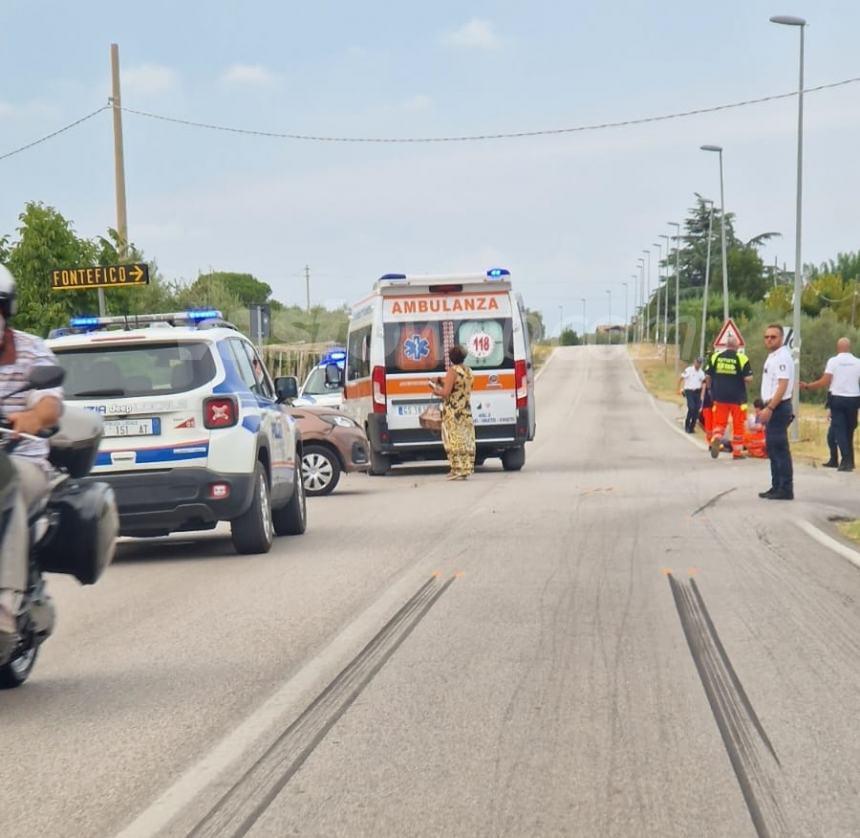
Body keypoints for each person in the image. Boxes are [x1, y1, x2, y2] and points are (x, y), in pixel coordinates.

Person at [0, 265, 63, 649]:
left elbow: (50, 408)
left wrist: (32, 417)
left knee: (6, 485)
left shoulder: (33, 350)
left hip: (23, 459)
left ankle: (5, 606)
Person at [800, 337, 860, 472]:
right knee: (848, 430)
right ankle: (841, 460)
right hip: (854, 399)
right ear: (849, 347)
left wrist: (808, 386)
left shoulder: (833, 361)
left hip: (838, 399)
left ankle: (846, 462)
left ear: (838, 347)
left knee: (839, 430)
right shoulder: (857, 362)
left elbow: (825, 381)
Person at [428, 345, 475, 480]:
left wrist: (433, 389)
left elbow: (445, 393)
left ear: (451, 358)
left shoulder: (452, 371)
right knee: (465, 440)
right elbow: (457, 386)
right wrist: (440, 380)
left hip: (453, 412)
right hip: (465, 410)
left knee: (452, 439)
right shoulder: (468, 371)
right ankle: (465, 468)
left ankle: (456, 469)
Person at [758, 324, 794, 500]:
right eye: (767, 337)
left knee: (779, 448)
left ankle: (785, 488)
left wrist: (771, 408)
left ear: (781, 338)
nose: (769, 340)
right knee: (772, 448)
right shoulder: (772, 357)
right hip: (772, 405)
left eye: (773, 337)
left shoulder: (782, 357)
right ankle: (776, 485)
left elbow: (783, 384)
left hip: (778, 407)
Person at [703, 334, 752, 460]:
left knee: (719, 423)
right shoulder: (742, 358)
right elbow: (748, 378)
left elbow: (707, 376)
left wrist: (709, 389)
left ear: (726, 345)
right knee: (738, 425)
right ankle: (737, 453)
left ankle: (716, 438)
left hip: (719, 396)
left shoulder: (715, 357)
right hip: (737, 398)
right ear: (736, 346)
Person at [679, 356, 706, 433]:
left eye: (700, 363)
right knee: (691, 408)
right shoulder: (689, 370)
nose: (698, 364)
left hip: (697, 392)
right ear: (695, 361)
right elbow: (681, 378)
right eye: (698, 362)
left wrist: (702, 395)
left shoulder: (701, 373)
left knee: (696, 410)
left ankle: (692, 427)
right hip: (689, 391)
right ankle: (687, 426)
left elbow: (704, 383)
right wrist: (678, 389)